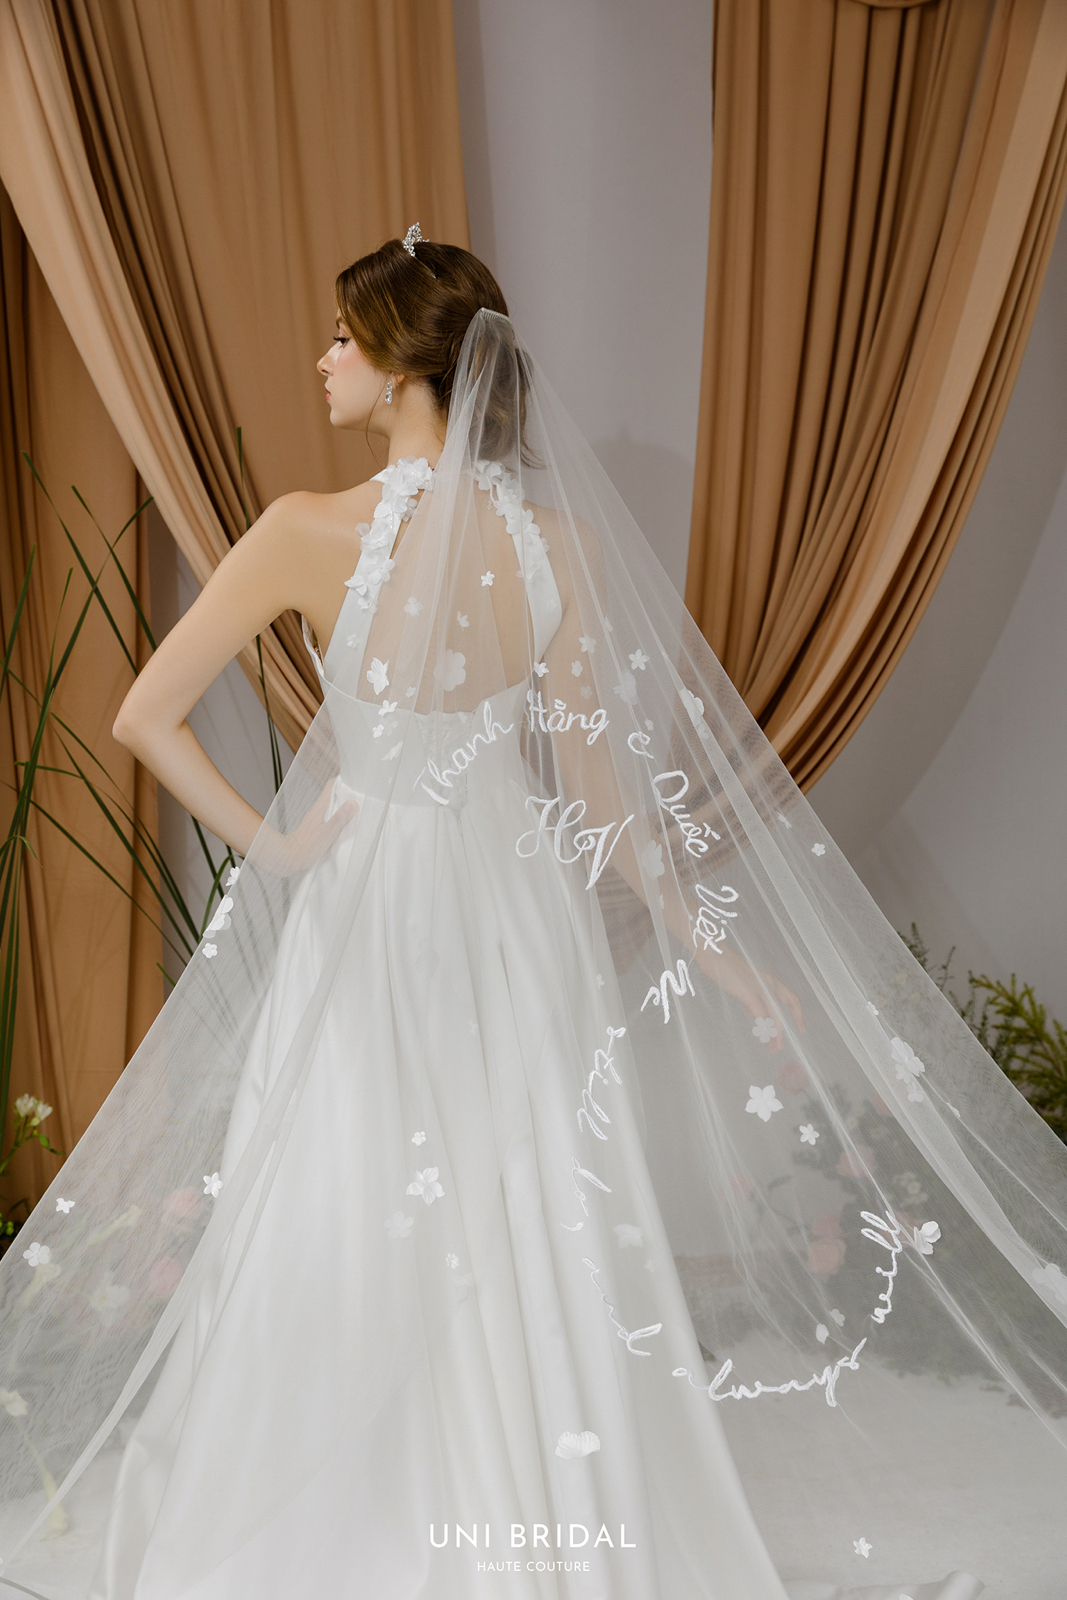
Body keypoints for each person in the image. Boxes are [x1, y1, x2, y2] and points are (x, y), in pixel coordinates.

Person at [0, 229, 1065, 1600]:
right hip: (513, 910)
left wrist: (281, 846)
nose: (323, 360)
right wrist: (722, 958)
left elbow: (141, 715)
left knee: (349, 1181)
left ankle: (356, 1523)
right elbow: (610, 812)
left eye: (343, 337)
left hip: (377, 904)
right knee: (525, 1202)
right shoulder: (560, 547)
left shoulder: (304, 531)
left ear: (402, 370)